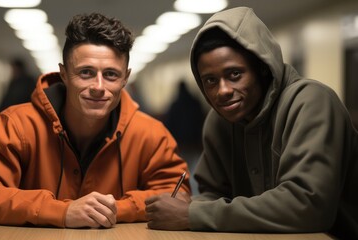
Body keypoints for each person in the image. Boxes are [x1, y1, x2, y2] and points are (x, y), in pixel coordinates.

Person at [0, 13, 190, 229]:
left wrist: (115, 209)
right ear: (64, 74)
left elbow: (177, 196)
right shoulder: (17, 124)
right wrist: (62, 211)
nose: (98, 87)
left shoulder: (151, 133)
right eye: (86, 72)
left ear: (125, 78)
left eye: (110, 75)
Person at [145, 7, 358, 239]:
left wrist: (192, 214)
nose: (223, 91)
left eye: (234, 74)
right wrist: (189, 206)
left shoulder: (311, 102)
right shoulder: (219, 122)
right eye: (210, 80)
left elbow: (307, 205)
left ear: (262, 68)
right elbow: (213, 195)